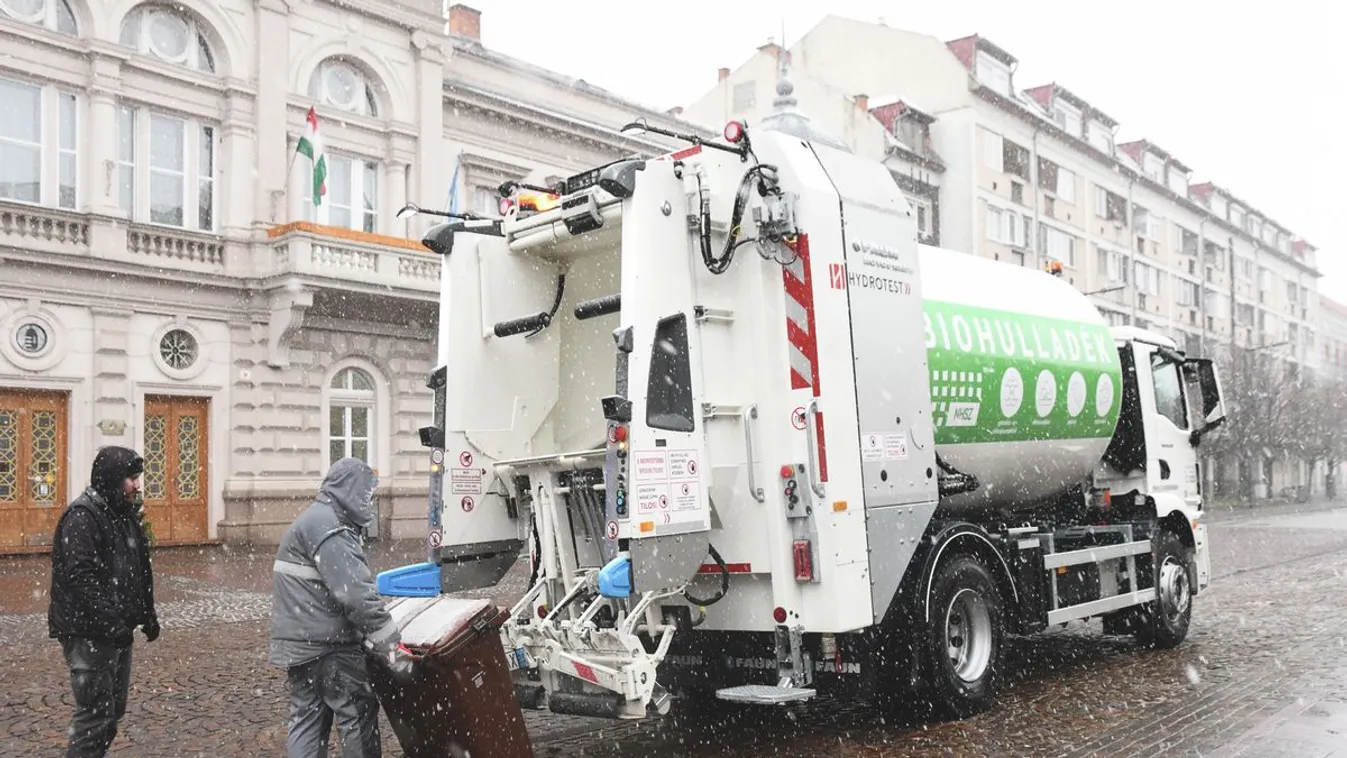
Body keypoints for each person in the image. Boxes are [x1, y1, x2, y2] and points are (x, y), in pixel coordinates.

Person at [269, 457, 413, 758]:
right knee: (357, 718)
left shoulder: (312, 520)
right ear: (350, 490)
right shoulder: (330, 528)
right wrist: (390, 642)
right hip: (330, 649)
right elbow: (356, 595)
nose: (369, 501)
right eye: (366, 493)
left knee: (307, 721)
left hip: (300, 646)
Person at [47, 445, 159, 758]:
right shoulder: (83, 517)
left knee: (111, 714)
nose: (136, 485)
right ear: (111, 478)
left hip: (116, 632)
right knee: (95, 714)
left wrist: (147, 614)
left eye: (137, 478)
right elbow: (82, 579)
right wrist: (110, 624)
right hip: (88, 633)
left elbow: (140, 568)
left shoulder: (122, 514)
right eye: (130, 478)